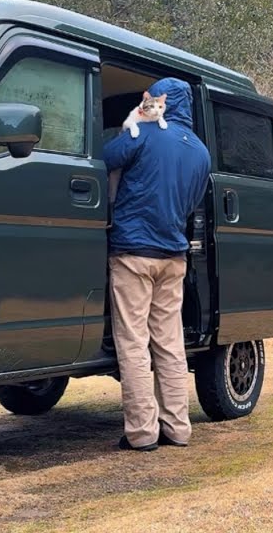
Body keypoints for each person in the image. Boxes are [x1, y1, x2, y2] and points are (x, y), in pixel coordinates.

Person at [103, 77, 211, 451]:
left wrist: (132, 124)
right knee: (169, 343)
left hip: (133, 253)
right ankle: (178, 428)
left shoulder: (143, 135)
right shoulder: (200, 151)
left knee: (134, 342)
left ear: (162, 101)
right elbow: (192, 202)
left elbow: (106, 158)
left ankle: (142, 433)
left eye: (150, 98)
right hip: (173, 257)